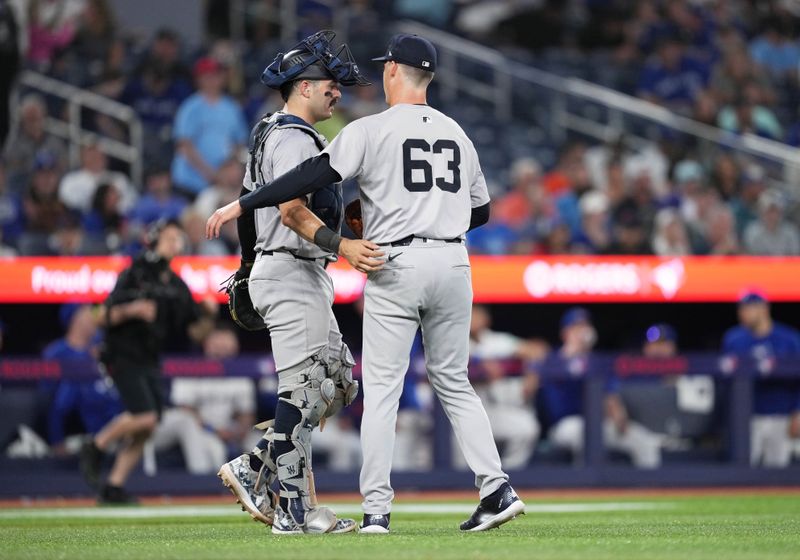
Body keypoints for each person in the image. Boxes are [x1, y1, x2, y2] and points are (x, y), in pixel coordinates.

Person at [207, 33, 525, 534]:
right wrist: (432, 218)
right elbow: (480, 210)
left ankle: (376, 510)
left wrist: (241, 203)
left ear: (393, 71)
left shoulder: (370, 128)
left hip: (392, 261)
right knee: (455, 383)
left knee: (380, 391)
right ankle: (497, 488)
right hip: (454, 260)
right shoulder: (458, 132)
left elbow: (307, 177)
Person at [214, 30, 370, 535]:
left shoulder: (274, 132)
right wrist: (341, 245)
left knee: (339, 381)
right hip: (291, 268)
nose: (337, 91)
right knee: (304, 391)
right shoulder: (291, 136)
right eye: (328, 82)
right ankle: (294, 510)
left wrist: (245, 265)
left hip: (291, 270)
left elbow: (247, 209)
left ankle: (256, 465)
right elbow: (289, 208)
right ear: (303, 86)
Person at [79, 220, 217, 503]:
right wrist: (132, 309)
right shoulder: (136, 272)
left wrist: (208, 314)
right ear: (154, 240)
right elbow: (100, 315)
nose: (175, 243)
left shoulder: (177, 285)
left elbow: (195, 333)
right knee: (146, 416)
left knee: (148, 427)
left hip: (149, 357)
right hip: (121, 352)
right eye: (169, 238)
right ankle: (95, 445)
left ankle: (113, 487)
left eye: (178, 238)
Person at [536, 308, 662, 468]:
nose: (583, 330)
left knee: (644, 441)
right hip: (565, 426)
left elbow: (610, 395)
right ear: (565, 333)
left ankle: (650, 489)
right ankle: (584, 486)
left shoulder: (597, 361)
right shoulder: (552, 359)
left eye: (585, 325)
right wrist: (572, 353)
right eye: (577, 326)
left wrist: (618, 412)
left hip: (598, 424)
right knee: (582, 434)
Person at [721, 291, 800, 467]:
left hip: (782, 415)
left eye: (749, 308)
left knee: (779, 474)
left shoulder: (789, 339)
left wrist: (798, 411)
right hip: (747, 417)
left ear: (764, 308)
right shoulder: (734, 339)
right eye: (741, 308)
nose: (743, 312)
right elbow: (725, 381)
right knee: (742, 471)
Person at [468, 305, 544, 470]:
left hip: (497, 409)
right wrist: (480, 364)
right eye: (469, 315)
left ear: (486, 319)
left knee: (527, 427)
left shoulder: (496, 340)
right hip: (466, 413)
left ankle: (508, 476)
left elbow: (537, 350)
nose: (472, 319)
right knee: (460, 465)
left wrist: (533, 373)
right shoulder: (455, 342)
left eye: (476, 315)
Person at [170, 56, 248, 199]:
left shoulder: (232, 108)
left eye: (216, 75)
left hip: (222, 184)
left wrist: (229, 173)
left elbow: (239, 145)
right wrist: (212, 174)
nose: (212, 80)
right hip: (190, 182)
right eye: (207, 76)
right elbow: (184, 147)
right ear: (198, 79)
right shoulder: (190, 107)